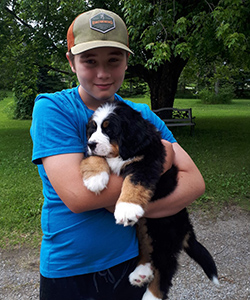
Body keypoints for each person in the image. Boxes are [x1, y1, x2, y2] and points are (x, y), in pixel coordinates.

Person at [30, 8, 205, 300]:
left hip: (129, 260)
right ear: (71, 63)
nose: (103, 73)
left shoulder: (141, 114)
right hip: (71, 267)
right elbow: (79, 196)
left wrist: (133, 207)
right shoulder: (53, 108)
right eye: (89, 61)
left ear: (126, 62)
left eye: (114, 60)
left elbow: (195, 182)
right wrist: (159, 158)